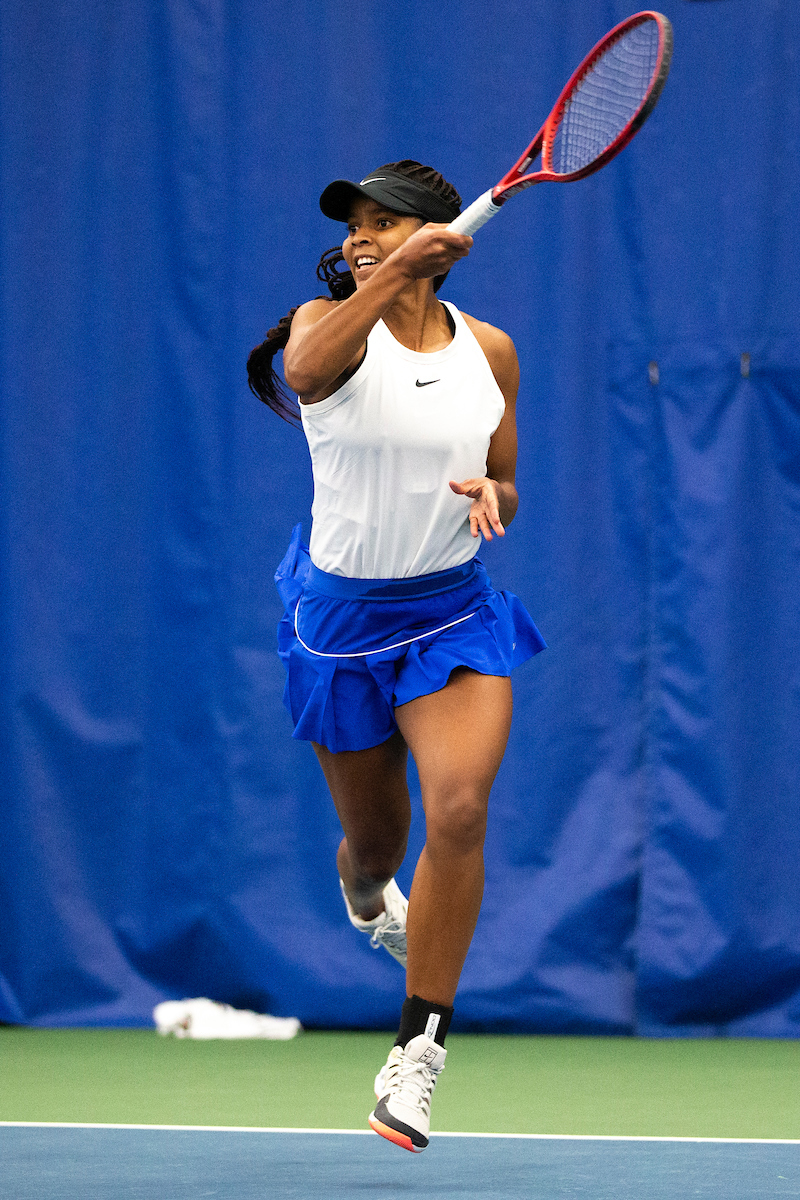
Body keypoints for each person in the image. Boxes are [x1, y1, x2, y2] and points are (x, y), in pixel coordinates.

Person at [248, 160, 545, 1153]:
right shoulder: (319, 329)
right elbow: (300, 374)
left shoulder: (490, 351)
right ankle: (370, 893)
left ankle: (417, 1055)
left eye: (384, 222)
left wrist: (491, 498)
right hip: (338, 625)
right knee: (376, 850)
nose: (360, 237)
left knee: (459, 807)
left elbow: (505, 478)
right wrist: (390, 271)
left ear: (432, 234)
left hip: (451, 614)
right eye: (354, 227)